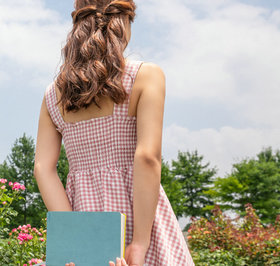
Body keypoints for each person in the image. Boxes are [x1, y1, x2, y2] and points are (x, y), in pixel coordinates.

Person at [33, 0, 194, 265]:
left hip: (83, 217)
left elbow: (43, 168)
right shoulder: (145, 76)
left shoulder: (54, 94)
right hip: (138, 215)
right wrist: (140, 242)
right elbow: (147, 157)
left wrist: (74, 237)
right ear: (124, 21)